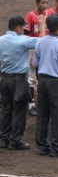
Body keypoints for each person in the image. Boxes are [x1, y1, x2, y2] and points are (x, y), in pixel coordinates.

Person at [0, 16, 44, 150]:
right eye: (22, 27)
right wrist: (42, 26)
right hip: (19, 80)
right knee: (19, 110)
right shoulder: (22, 40)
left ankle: (4, 139)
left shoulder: (1, 40)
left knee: (6, 109)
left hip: (5, 79)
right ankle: (16, 140)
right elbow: (43, 42)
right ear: (18, 27)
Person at [33, 14, 58, 157]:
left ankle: (42, 146)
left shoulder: (40, 42)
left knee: (42, 114)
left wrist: (40, 81)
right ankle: (56, 147)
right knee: (57, 114)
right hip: (56, 83)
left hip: (42, 80)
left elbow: (36, 65)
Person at [25, 0, 50, 116]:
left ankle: (42, 103)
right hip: (33, 49)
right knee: (31, 78)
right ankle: (31, 105)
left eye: (46, 3)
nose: (44, 5)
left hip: (45, 49)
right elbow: (25, 36)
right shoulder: (30, 16)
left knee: (42, 76)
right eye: (42, 3)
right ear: (36, 3)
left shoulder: (48, 15)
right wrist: (29, 54)